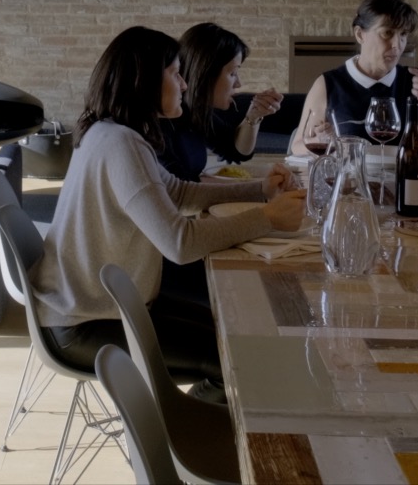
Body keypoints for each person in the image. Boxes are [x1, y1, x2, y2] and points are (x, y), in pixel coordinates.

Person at [30, 26, 307, 390]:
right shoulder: (121, 144)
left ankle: (200, 430)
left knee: (235, 334)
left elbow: (176, 192)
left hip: (104, 307)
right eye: (176, 73)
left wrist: (260, 189)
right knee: (239, 358)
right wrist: (268, 218)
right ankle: (186, 440)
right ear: (145, 80)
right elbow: (178, 243)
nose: (186, 84)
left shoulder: (112, 131)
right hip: (86, 322)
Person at [288, 0, 418, 154]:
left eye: (403, 34)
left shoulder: (414, 82)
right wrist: (321, 142)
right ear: (360, 35)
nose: (397, 45)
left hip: (402, 180)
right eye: (387, 33)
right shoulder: (328, 84)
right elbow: (297, 147)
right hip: (348, 180)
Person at [158, 22, 284, 182]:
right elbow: (179, 189)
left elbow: (236, 151)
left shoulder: (194, 110)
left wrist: (255, 114)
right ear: (205, 73)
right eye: (233, 73)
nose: (239, 83)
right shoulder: (161, 123)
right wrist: (259, 189)